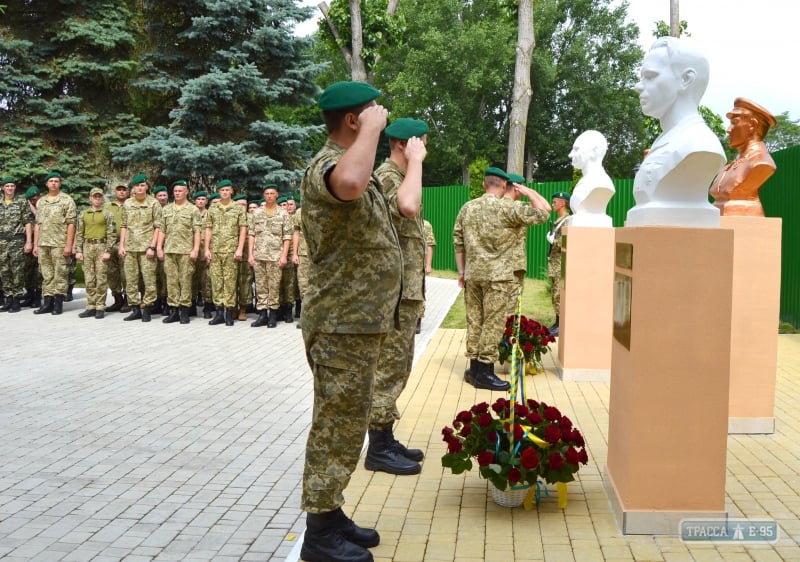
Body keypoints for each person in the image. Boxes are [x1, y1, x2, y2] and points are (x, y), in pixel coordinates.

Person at [299, 81, 400, 562]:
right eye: (373, 112)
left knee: (348, 422)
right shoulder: (326, 167)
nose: (382, 115)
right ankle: (319, 536)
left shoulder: (351, 162)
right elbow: (350, 184)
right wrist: (374, 133)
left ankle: (331, 512)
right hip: (340, 322)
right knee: (335, 423)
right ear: (354, 121)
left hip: (358, 323)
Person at [365, 117, 428, 476]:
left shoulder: (401, 176)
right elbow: (407, 208)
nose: (426, 150)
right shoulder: (388, 176)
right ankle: (377, 447)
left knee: (397, 367)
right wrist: (415, 163)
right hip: (392, 294)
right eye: (421, 143)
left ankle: (385, 437)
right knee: (388, 369)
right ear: (405, 144)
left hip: (404, 292)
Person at [453, 167, 550, 391]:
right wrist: (528, 192)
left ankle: (474, 369)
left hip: (474, 275)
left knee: (475, 321)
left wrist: (461, 272)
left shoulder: (468, 208)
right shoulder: (508, 208)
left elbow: (458, 240)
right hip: (498, 277)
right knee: (493, 323)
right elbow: (544, 211)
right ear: (505, 186)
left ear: (484, 185)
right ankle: (485, 373)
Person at [627, 37, 725, 227]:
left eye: (650, 76)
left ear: (685, 79)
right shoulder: (666, 141)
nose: (638, 87)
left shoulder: (700, 145)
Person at [709, 98, 777, 217]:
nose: (728, 130)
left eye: (734, 123)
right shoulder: (731, 165)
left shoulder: (761, 163)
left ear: (752, 125)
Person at [118, 173, 163, 322]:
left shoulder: (153, 203)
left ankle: (148, 308)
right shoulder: (127, 204)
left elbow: (158, 226)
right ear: (133, 188)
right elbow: (124, 225)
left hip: (146, 248)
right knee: (131, 279)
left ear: (147, 187)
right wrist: (122, 245)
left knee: (149, 279)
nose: (140, 188)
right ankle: (135, 308)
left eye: (142, 185)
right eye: (137, 185)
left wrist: (153, 246)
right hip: (130, 248)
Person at [32, 170, 77, 316]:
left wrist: (69, 245)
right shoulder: (41, 201)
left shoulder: (67, 200)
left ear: (60, 184)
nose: (53, 183)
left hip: (59, 243)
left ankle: (58, 304)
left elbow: (71, 223)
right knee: (46, 274)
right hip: (43, 243)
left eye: (56, 181)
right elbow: (37, 224)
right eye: (51, 181)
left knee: (60, 273)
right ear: (46, 184)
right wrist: (35, 244)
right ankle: (47, 303)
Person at [158, 180, 202, 324]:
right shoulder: (167, 209)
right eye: (175, 191)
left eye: (180, 191)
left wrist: (195, 249)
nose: (177, 193)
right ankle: (174, 310)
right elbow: (162, 230)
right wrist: (159, 247)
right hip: (170, 250)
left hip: (185, 251)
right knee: (171, 281)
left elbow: (197, 231)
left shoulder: (193, 209)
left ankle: (184, 310)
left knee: (185, 281)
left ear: (186, 192)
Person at [204, 179, 247, 327]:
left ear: (232, 192)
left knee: (229, 281)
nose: (224, 192)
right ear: (218, 192)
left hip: (231, 250)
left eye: (227, 190)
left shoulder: (238, 208)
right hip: (215, 250)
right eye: (222, 190)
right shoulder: (213, 208)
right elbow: (208, 228)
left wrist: (240, 248)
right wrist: (207, 249)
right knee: (216, 281)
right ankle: (219, 313)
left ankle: (229, 312)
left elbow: (243, 229)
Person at [248, 185, 292, 328]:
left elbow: (287, 236)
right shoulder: (257, 213)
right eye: (266, 193)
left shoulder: (283, 213)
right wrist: (250, 254)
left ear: (277, 195)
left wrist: (284, 256)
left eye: (272, 193)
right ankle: (262, 315)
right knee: (260, 286)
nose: (269, 196)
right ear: (264, 195)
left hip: (275, 256)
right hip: (259, 255)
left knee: (274, 286)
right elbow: (252, 234)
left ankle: (273, 314)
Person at [74, 187, 116, 319]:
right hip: (87, 246)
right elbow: (79, 233)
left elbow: (112, 234)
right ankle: (91, 306)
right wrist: (78, 250)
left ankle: (100, 306)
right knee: (89, 278)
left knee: (101, 278)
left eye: (99, 197)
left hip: (101, 246)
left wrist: (108, 251)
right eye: (95, 197)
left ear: (102, 198)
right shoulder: (83, 214)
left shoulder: (107, 214)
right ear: (90, 198)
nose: (97, 199)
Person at [0, 176, 34, 313]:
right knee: (4, 270)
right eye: (7, 186)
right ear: (2, 187)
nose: (10, 188)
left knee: (18, 270)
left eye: (12, 186)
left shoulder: (21, 202)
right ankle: (8, 298)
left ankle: (16, 300)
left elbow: (27, 222)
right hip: (1, 241)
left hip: (17, 240)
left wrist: (29, 242)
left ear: (15, 188)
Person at [568, 130, 615, 227]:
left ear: (595, 151)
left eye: (576, 149)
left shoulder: (602, 183)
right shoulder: (584, 181)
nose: (570, 154)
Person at [547, 192, 571, 336]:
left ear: (563, 203)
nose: (552, 204)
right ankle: (557, 322)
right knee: (555, 294)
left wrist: (553, 241)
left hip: (560, 264)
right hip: (555, 263)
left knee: (558, 294)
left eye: (555, 202)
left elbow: (566, 242)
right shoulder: (560, 220)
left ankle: (561, 324)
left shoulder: (567, 221)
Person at [104, 184, 129, 313]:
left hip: (126, 244)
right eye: (119, 190)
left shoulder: (131, 205)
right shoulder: (108, 208)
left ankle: (127, 300)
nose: (121, 192)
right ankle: (117, 299)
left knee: (126, 274)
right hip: (111, 243)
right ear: (115, 192)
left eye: (124, 190)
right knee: (112, 273)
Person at [191, 191, 214, 318]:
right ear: (195, 201)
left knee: (207, 281)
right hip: (192, 251)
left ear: (206, 201)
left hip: (205, 251)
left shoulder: (210, 214)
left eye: (203, 199)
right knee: (192, 280)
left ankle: (208, 307)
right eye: (198, 199)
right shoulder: (190, 212)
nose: (200, 201)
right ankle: (192, 306)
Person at [20, 186, 42, 309]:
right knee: (28, 271)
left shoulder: (43, 206)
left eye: (36, 198)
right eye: (31, 200)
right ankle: (29, 296)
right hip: (27, 243)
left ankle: (38, 298)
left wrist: (34, 207)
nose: (34, 201)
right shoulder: (24, 208)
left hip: (40, 243)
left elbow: (40, 217)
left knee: (38, 272)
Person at [233, 192, 253, 320]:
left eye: (244, 205)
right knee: (232, 281)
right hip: (232, 253)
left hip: (246, 254)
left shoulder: (251, 218)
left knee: (245, 282)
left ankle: (243, 309)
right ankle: (233, 307)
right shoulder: (231, 216)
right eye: (239, 204)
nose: (242, 206)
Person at [277, 195, 297, 323]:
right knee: (277, 283)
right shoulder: (276, 218)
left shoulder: (294, 219)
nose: (285, 207)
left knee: (289, 282)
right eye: (283, 205)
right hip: (276, 254)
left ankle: (289, 309)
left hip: (290, 255)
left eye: (287, 205)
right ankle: (280, 309)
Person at [152, 185, 170, 314]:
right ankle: (156, 302)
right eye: (160, 196)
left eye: (164, 195)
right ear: (155, 197)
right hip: (153, 247)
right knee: (155, 275)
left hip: (168, 247)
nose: (162, 198)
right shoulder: (152, 209)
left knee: (167, 276)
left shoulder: (171, 209)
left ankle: (167, 303)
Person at [292, 200, 308, 329]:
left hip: (320, 256)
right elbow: (296, 233)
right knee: (303, 286)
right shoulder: (300, 212)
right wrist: (295, 253)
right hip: (303, 254)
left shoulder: (323, 209)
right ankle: (306, 317)